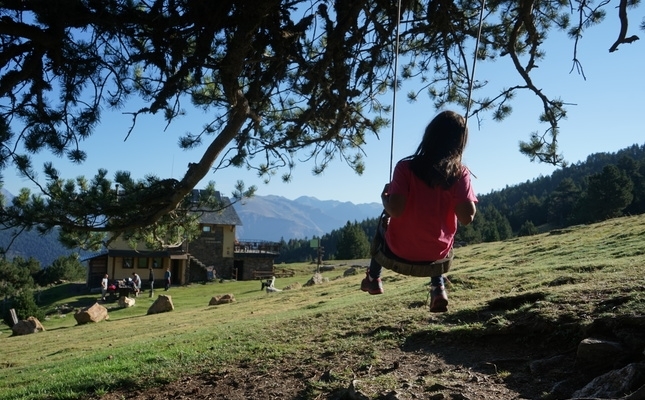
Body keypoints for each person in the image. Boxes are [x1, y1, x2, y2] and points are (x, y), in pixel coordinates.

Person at [360, 110, 477, 313]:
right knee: (436, 237)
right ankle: (438, 288)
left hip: (398, 250)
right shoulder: (460, 173)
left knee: (382, 223)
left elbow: (395, 211)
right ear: (460, 142)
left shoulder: (405, 168)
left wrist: (384, 200)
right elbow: (467, 218)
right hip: (436, 254)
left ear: (429, 135)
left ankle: (373, 278)